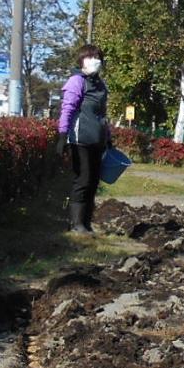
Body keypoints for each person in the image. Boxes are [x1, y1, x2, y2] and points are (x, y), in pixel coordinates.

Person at [57, 43, 112, 234]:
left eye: (98, 58)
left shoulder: (101, 85)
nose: (95, 61)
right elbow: (68, 109)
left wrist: (108, 137)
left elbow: (103, 114)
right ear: (81, 61)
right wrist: (62, 136)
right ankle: (76, 224)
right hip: (79, 140)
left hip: (97, 140)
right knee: (83, 180)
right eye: (91, 57)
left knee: (94, 181)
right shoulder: (76, 81)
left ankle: (87, 223)